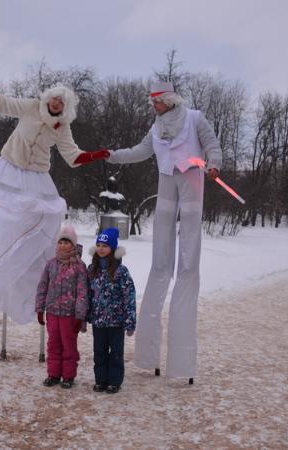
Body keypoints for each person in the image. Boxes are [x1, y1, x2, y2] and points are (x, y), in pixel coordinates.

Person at [0, 81, 108, 324]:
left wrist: (96, 155)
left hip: (36, 177)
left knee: (42, 215)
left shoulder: (62, 127)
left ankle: (22, 265)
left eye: (61, 102)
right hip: (9, 169)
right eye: (54, 98)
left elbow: (72, 155)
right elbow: (5, 103)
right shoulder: (32, 107)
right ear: (48, 97)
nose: (56, 103)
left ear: (65, 108)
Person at [106, 81, 222, 383]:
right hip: (167, 182)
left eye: (155, 102)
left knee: (188, 255)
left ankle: (182, 361)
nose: (153, 107)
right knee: (161, 259)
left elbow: (211, 143)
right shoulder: (156, 127)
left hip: (192, 180)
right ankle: (149, 354)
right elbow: (140, 151)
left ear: (168, 100)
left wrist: (214, 163)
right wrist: (111, 154)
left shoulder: (194, 118)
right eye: (152, 103)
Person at [35, 225, 89, 389]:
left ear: (73, 245)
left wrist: (80, 316)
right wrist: (40, 308)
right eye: (61, 242)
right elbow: (42, 286)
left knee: (68, 345)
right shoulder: (51, 264)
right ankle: (53, 374)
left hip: (69, 315)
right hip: (52, 313)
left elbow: (82, 292)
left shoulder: (79, 266)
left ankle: (68, 376)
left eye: (67, 242)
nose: (63, 245)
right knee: (53, 344)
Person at [86, 227, 136, 394]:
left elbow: (129, 296)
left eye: (105, 245)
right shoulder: (92, 269)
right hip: (99, 321)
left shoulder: (121, 271)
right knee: (99, 351)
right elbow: (87, 294)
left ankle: (114, 381)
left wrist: (130, 321)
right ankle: (101, 379)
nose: (101, 248)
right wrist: (86, 315)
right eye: (99, 245)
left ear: (113, 248)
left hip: (116, 321)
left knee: (115, 353)